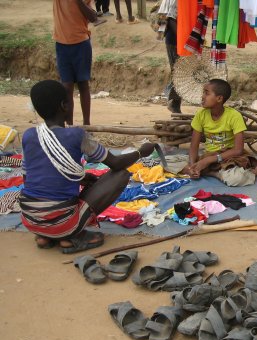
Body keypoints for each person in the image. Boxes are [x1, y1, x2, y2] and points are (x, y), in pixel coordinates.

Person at [19, 80, 155, 253]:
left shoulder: (29, 135)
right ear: (64, 106)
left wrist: (81, 178)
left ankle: (45, 236)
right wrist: (141, 152)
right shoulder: (76, 135)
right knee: (120, 174)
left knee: (52, 198)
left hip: (30, 220)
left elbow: (29, 178)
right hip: (63, 223)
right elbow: (116, 163)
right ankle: (71, 237)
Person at [185, 79, 257, 186]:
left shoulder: (234, 116)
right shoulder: (200, 115)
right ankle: (214, 172)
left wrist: (208, 161)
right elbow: (193, 147)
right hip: (210, 156)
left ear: (219, 98)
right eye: (203, 93)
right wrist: (192, 167)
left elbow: (238, 150)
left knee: (235, 179)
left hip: (229, 157)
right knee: (171, 163)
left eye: (206, 93)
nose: (202, 96)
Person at [53, 0, 97, 126]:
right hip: (62, 44)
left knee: (83, 84)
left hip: (81, 43)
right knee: (67, 87)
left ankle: (86, 125)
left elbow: (93, 17)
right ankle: (69, 125)